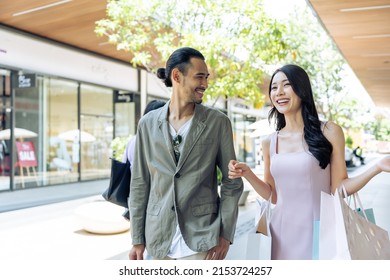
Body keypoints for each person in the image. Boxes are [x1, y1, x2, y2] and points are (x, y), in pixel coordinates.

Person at [228, 64, 390, 260]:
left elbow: (339, 188)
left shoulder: (329, 131)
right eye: (274, 87)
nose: (279, 92)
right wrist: (248, 174)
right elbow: (274, 196)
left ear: (302, 89)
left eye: (286, 85)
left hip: (320, 230)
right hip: (280, 233)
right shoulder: (269, 141)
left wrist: (377, 167)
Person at [128, 47, 244, 260]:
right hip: (158, 239)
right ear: (177, 76)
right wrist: (137, 238)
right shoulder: (147, 124)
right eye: (199, 77)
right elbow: (139, 182)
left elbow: (232, 182)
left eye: (206, 78)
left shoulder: (218, 123)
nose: (205, 84)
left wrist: (225, 234)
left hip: (202, 240)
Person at [121, 99, 166, 221]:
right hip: (155, 202)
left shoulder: (133, 141)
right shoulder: (159, 142)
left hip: (135, 200)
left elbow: (124, 166)